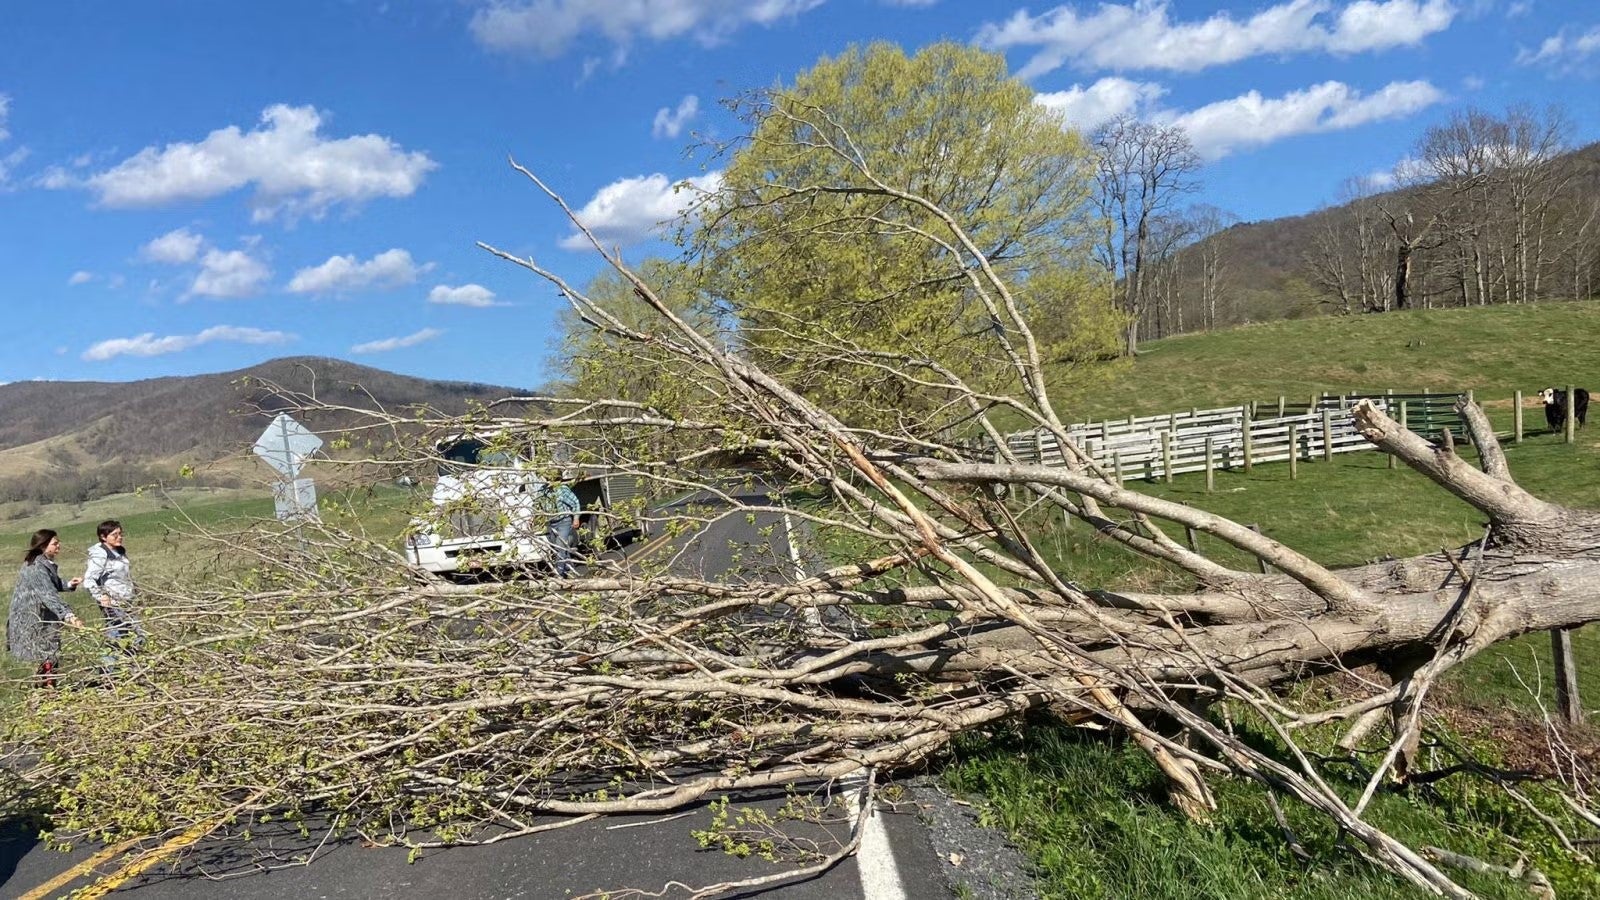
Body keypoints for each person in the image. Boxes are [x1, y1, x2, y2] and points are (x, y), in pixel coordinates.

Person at [6, 529, 84, 687]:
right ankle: (46, 693)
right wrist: (69, 615)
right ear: (43, 546)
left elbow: (51, 584)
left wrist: (69, 584)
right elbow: (48, 595)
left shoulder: (43, 562)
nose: (58, 545)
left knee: (48, 655)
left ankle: (47, 692)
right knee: (45, 655)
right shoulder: (35, 567)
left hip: (43, 617)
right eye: (55, 543)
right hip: (33, 619)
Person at [84, 519, 144, 664]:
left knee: (129, 635)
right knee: (122, 635)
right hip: (113, 603)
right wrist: (101, 596)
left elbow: (124, 576)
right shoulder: (99, 556)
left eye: (120, 534)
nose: (119, 537)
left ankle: (130, 667)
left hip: (127, 600)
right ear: (103, 537)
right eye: (114, 535)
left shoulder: (119, 552)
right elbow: (89, 580)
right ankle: (107, 672)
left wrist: (136, 592)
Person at [543, 482, 582, 577]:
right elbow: (536, 504)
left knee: (560, 547)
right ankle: (569, 567)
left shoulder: (562, 489)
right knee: (557, 547)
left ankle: (559, 574)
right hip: (551, 523)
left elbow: (575, 502)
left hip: (564, 521)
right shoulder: (543, 490)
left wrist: (576, 518)